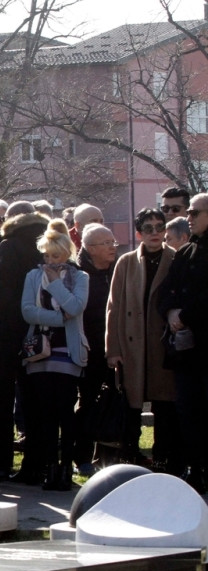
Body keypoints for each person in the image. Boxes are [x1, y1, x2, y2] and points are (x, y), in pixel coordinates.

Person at [106, 208, 179, 473]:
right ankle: (129, 459)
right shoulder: (126, 262)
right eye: (148, 228)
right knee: (130, 406)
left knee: (165, 407)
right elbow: (113, 307)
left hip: (162, 346)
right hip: (132, 345)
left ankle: (163, 462)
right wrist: (112, 349)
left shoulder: (175, 259)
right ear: (139, 233)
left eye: (160, 227)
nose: (155, 233)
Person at [20, 221, 89, 491]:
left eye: (56, 256)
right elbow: (27, 312)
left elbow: (76, 306)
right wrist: (60, 316)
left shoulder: (80, 277)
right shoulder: (32, 276)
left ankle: (65, 468)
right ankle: (49, 468)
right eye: (46, 256)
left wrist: (55, 284)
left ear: (67, 254)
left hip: (68, 353)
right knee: (45, 413)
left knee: (65, 411)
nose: (49, 261)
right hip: (39, 352)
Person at [0, 203, 48, 483]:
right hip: (42, 330)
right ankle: (37, 464)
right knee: (36, 401)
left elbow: (2, 289)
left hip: (7, 332)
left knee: (1, 399)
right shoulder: (49, 241)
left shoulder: (9, 245)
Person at [158, 192, 208, 493]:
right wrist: (171, 311)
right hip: (187, 352)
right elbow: (167, 290)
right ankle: (195, 466)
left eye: (194, 212)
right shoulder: (187, 251)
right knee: (188, 409)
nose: (188, 217)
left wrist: (186, 313)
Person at [74, 223, 118, 474]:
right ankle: (81, 457)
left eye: (113, 242)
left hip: (114, 349)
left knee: (113, 403)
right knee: (87, 403)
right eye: (106, 243)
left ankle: (110, 457)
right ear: (90, 248)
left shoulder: (118, 269)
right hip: (87, 350)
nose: (113, 247)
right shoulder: (78, 274)